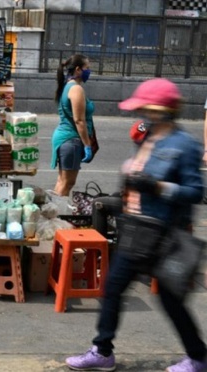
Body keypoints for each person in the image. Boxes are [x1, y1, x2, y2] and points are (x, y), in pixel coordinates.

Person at [65, 78, 206, 372]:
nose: (141, 114)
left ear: (160, 109)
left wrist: (158, 187)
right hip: (136, 228)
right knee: (113, 288)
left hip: (163, 233)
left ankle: (198, 357)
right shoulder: (148, 137)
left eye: (145, 108)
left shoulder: (184, 145)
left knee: (170, 300)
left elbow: (195, 192)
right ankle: (102, 351)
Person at [51, 54, 96, 196]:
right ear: (78, 70)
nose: (89, 71)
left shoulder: (68, 86)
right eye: (87, 68)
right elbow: (79, 120)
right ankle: (56, 214)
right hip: (71, 139)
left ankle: (52, 213)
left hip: (66, 139)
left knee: (62, 181)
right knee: (67, 183)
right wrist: (87, 145)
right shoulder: (76, 89)